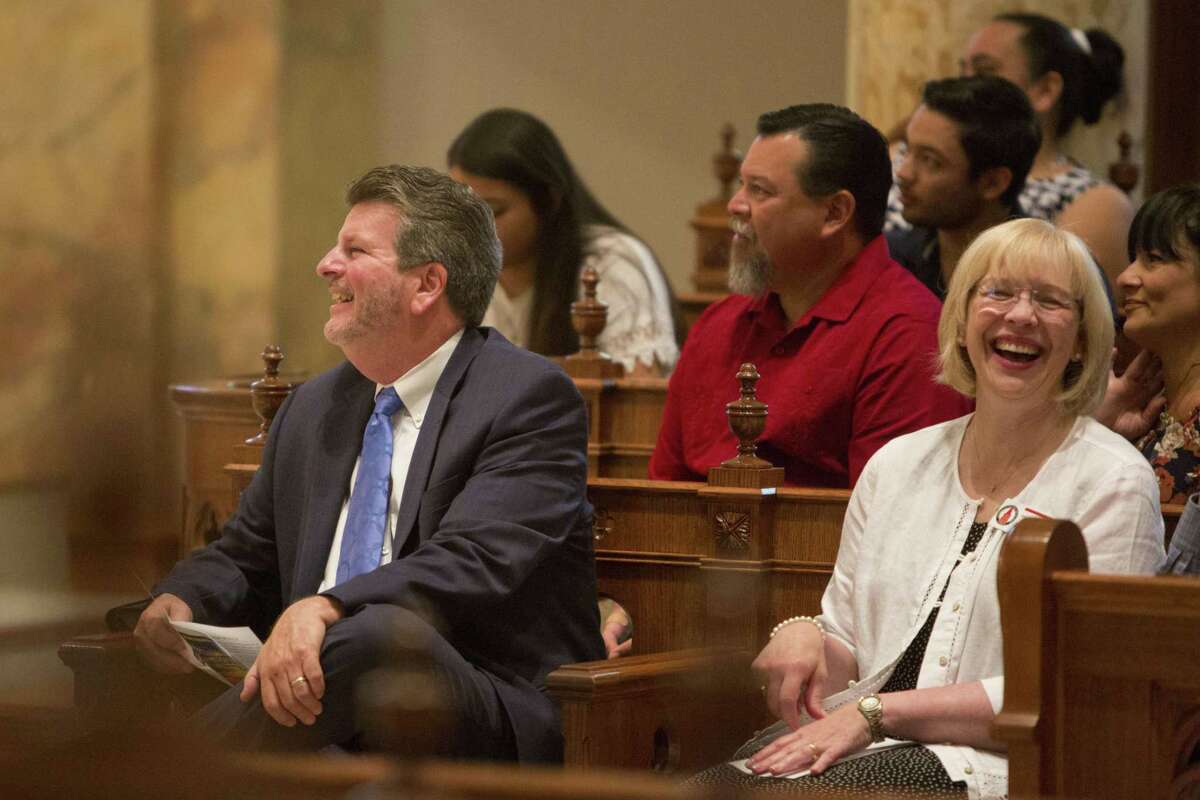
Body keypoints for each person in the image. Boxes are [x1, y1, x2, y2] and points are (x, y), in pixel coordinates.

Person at [133, 165, 606, 760]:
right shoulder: (314, 406)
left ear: (427, 284)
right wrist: (182, 601)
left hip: (480, 704)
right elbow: (247, 553)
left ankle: (168, 779)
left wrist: (329, 606)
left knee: (381, 637)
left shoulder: (527, 397)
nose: (325, 265)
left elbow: (475, 560)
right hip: (322, 707)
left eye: (354, 250)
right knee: (132, 659)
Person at [689, 218, 1163, 798]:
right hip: (865, 738)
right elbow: (847, 639)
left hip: (1011, 766)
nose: (1020, 316)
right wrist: (805, 639)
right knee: (702, 790)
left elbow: (1082, 687)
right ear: (962, 321)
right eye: (998, 292)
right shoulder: (898, 464)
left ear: (1084, 339)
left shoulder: (1114, 480)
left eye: (1049, 300)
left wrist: (873, 713)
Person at [649, 103, 971, 488]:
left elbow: (893, 521)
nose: (735, 205)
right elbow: (663, 494)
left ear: (835, 213)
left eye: (760, 190)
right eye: (741, 183)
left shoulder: (909, 335)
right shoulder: (718, 324)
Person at [886, 12, 1133, 287]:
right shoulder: (898, 249)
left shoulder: (1076, 221)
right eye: (962, 69)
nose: (904, 173)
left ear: (1046, 90)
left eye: (984, 71)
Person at [447, 108, 678, 376]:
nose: (468, 227)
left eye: (493, 211)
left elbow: (638, 391)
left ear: (549, 200)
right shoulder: (456, 269)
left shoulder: (609, 262)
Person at [887, 75, 1040, 300]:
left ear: (992, 183)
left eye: (930, 160)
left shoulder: (1053, 275)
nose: (903, 173)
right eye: (906, 150)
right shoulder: (889, 259)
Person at [1099, 184, 1200, 504]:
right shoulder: (1145, 410)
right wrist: (1098, 429)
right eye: (1134, 259)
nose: (1125, 277)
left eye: (1153, 259)